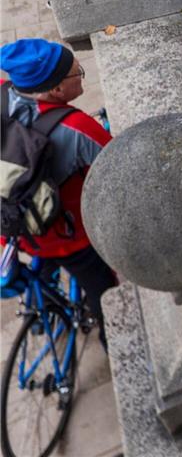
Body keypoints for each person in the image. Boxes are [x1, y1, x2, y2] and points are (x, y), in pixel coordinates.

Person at [1, 38, 116, 347]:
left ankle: (45, 311)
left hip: (14, 228)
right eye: (76, 72)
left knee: (42, 270)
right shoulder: (77, 127)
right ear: (56, 91)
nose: (80, 73)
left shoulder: (2, 90)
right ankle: (116, 344)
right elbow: (122, 170)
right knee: (108, 298)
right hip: (69, 239)